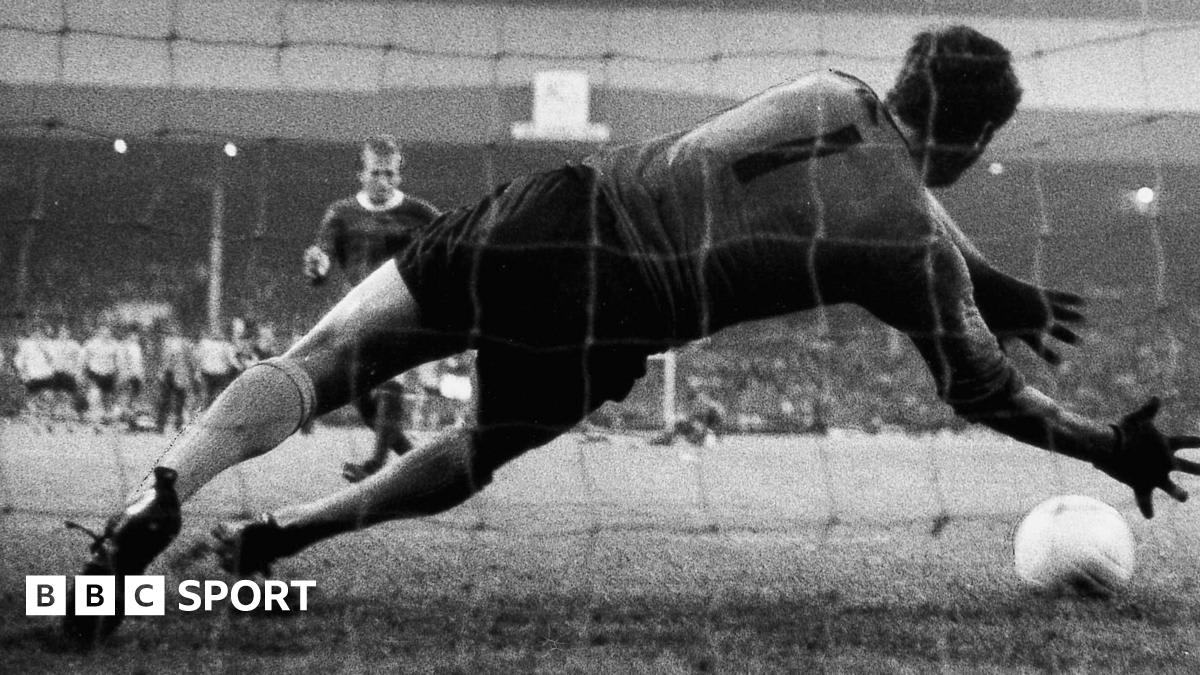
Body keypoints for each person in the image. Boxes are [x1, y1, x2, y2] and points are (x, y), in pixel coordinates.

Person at [64, 25, 1200, 645]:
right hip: (613, 311)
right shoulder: (908, 244)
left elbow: (892, 176)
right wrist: (1110, 445)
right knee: (478, 449)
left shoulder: (831, 87)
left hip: (558, 208)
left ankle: (162, 488)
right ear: (982, 135)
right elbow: (984, 386)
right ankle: (277, 540)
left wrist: (991, 277)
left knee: (316, 364)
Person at [302, 135, 441, 476]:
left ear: (399, 175)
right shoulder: (341, 213)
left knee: (390, 383)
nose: (383, 181)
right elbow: (323, 257)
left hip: (404, 310)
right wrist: (317, 266)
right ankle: (419, 466)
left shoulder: (420, 213)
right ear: (361, 174)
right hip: (359, 312)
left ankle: (375, 466)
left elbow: (451, 241)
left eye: (390, 174)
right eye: (376, 173)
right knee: (359, 394)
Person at [155, 323, 194, 434]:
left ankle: (178, 424)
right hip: (168, 374)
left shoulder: (184, 343)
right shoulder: (165, 343)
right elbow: (161, 360)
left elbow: (190, 359)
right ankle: (160, 425)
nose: (172, 331)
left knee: (180, 401)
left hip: (180, 374)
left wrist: (190, 373)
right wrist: (160, 372)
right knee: (165, 400)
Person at [80, 324, 122, 425]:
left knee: (107, 398)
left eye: (108, 332)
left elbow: (119, 360)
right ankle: (93, 417)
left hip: (109, 374)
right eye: (103, 331)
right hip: (95, 373)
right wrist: (82, 372)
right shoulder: (90, 343)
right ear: (98, 332)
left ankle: (107, 417)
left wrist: (120, 373)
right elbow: (83, 358)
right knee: (94, 395)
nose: (105, 334)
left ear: (110, 333)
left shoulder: (115, 344)